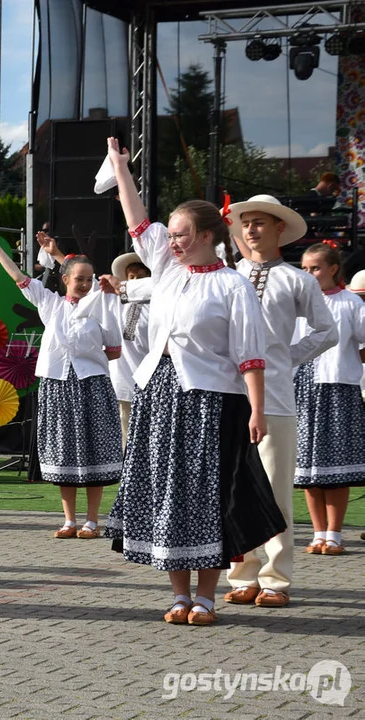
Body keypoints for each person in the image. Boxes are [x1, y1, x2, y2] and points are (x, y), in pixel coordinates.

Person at [102, 137, 286, 626]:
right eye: (172, 234)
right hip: (159, 394)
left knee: (205, 493)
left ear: (207, 235)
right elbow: (137, 220)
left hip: (210, 399)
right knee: (165, 490)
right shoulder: (165, 270)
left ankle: (207, 594)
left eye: (181, 234)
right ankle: (179, 594)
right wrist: (121, 169)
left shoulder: (231, 284)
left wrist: (258, 409)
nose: (173, 240)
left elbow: (250, 354)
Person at [221, 194, 337, 609]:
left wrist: (287, 358)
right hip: (227, 393)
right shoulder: (228, 275)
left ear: (279, 230)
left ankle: (276, 578)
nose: (250, 230)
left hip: (276, 398)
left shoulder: (297, 280)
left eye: (260, 223)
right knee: (233, 487)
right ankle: (242, 575)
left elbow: (328, 331)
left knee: (275, 489)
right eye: (246, 222)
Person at [0, 232, 122, 539]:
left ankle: (92, 520)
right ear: (65, 279)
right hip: (57, 386)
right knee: (64, 452)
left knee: (93, 452)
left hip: (91, 386)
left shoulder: (102, 306)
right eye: (78, 279)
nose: (83, 284)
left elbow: (114, 349)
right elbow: (18, 277)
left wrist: (102, 314)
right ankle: (69, 520)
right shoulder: (50, 304)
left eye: (88, 279)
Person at [294, 243, 365, 556]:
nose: (310, 275)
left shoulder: (350, 302)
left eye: (316, 268)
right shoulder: (297, 303)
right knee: (309, 469)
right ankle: (318, 532)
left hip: (337, 388)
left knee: (335, 468)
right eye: (306, 269)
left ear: (334, 268)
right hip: (304, 388)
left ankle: (334, 533)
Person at [98, 253, 151, 447]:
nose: (136, 281)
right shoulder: (117, 303)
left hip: (149, 382)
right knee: (123, 434)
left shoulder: (159, 306)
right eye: (132, 277)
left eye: (141, 277)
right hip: (121, 381)